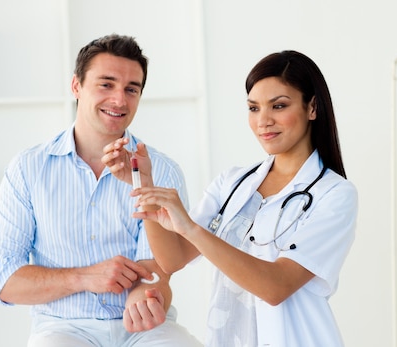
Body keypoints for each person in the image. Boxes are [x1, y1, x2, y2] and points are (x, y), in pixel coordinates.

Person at [104, 50, 358, 346]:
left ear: (312, 107)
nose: (263, 121)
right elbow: (172, 259)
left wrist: (191, 228)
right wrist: (144, 185)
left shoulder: (334, 195)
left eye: (278, 106)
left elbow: (276, 287)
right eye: (253, 108)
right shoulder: (232, 183)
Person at [0, 33, 202, 347]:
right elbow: (0, 280)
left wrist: (145, 295)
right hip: (63, 329)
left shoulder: (162, 170)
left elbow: (159, 267)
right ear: (76, 86)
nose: (119, 100)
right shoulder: (28, 169)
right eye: (106, 84)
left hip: (145, 331)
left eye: (131, 89)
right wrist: (84, 277)